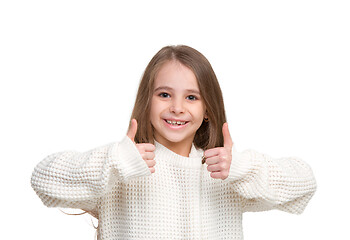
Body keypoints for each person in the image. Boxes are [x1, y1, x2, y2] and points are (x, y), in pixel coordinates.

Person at [31, 45, 317, 240]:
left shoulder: (223, 172)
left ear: (207, 110)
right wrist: (115, 161)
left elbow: (304, 184)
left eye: (191, 97)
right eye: (165, 94)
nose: (177, 107)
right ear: (147, 101)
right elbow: (42, 178)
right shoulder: (122, 169)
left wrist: (242, 167)